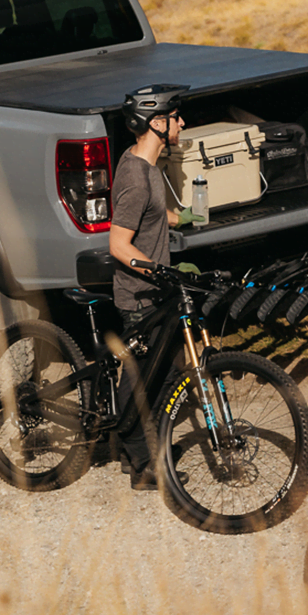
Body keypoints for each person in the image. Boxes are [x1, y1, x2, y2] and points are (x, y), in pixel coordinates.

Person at [109, 84, 190, 488]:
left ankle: (135, 452)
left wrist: (184, 218)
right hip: (138, 296)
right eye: (176, 117)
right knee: (140, 379)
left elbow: (153, 216)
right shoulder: (137, 178)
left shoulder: (146, 164)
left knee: (163, 373)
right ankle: (142, 464)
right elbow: (119, 244)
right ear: (157, 123)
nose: (182, 122)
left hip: (153, 291)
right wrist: (158, 272)